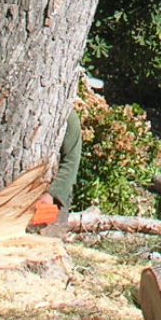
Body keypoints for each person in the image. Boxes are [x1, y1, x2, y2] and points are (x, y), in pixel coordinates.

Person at [34, 69, 103, 237]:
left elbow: (71, 162)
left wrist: (53, 194)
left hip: (53, 193)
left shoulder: (69, 119)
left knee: (46, 243)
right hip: (24, 193)